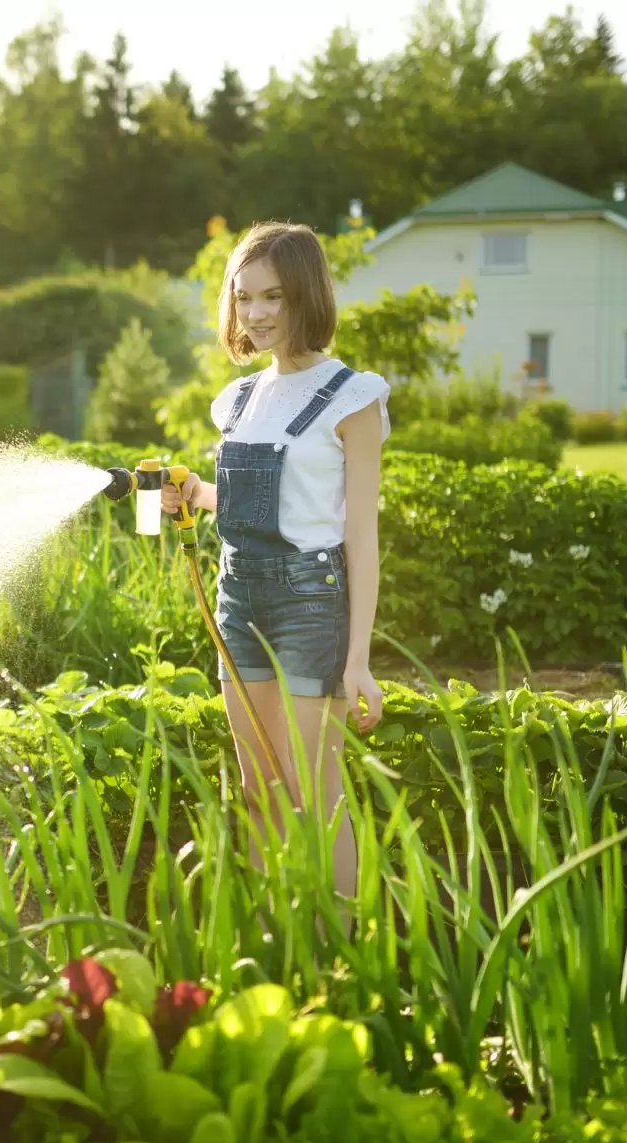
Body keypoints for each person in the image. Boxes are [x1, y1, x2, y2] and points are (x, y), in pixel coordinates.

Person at [160, 221, 387, 897]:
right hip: (239, 598)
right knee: (259, 790)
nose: (255, 314)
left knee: (316, 793)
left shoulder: (352, 397)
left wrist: (359, 660)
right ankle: (278, 948)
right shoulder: (237, 401)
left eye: (273, 298)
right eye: (244, 297)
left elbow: (361, 536)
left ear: (306, 296)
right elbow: (241, 499)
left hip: (310, 601)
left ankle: (340, 960)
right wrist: (189, 493)